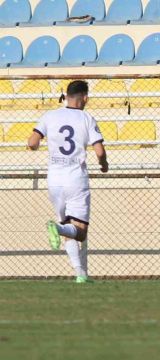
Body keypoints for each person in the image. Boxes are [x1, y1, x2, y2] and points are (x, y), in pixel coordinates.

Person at [27, 80, 108, 283]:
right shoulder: (86, 118)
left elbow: (32, 142)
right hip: (75, 179)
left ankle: (79, 273)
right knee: (79, 232)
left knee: (68, 225)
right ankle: (58, 228)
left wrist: (37, 148)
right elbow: (99, 150)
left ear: (66, 96)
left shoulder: (49, 116)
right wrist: (104, 164)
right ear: (85, 97)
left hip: (54, 180)